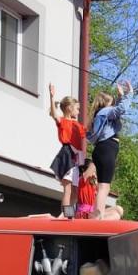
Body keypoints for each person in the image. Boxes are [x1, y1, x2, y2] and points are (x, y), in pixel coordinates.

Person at [87, 79, 132, 215]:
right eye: (112, 102)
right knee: (104, 186)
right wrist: (129, 94)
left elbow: (116, 111)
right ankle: (97, 216)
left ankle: (97, 214)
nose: (113, 105)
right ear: (106, 103)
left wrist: (120, 97)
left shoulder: (100, 113)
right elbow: (121, 109)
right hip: (106, 150)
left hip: (102, 150)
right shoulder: (106, 111)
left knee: (103, 185)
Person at [48, 83, 86, 218]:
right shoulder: (63, 121)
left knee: (75, 191)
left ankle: (68, 214)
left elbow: (88, 132)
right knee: (68, 189)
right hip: (67, 156)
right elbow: (54, 114)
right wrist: (52, 97)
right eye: (77, 109)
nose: (79, 112)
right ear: (70, 108)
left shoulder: (78, 125)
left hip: (76, 159)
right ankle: (66, 215)